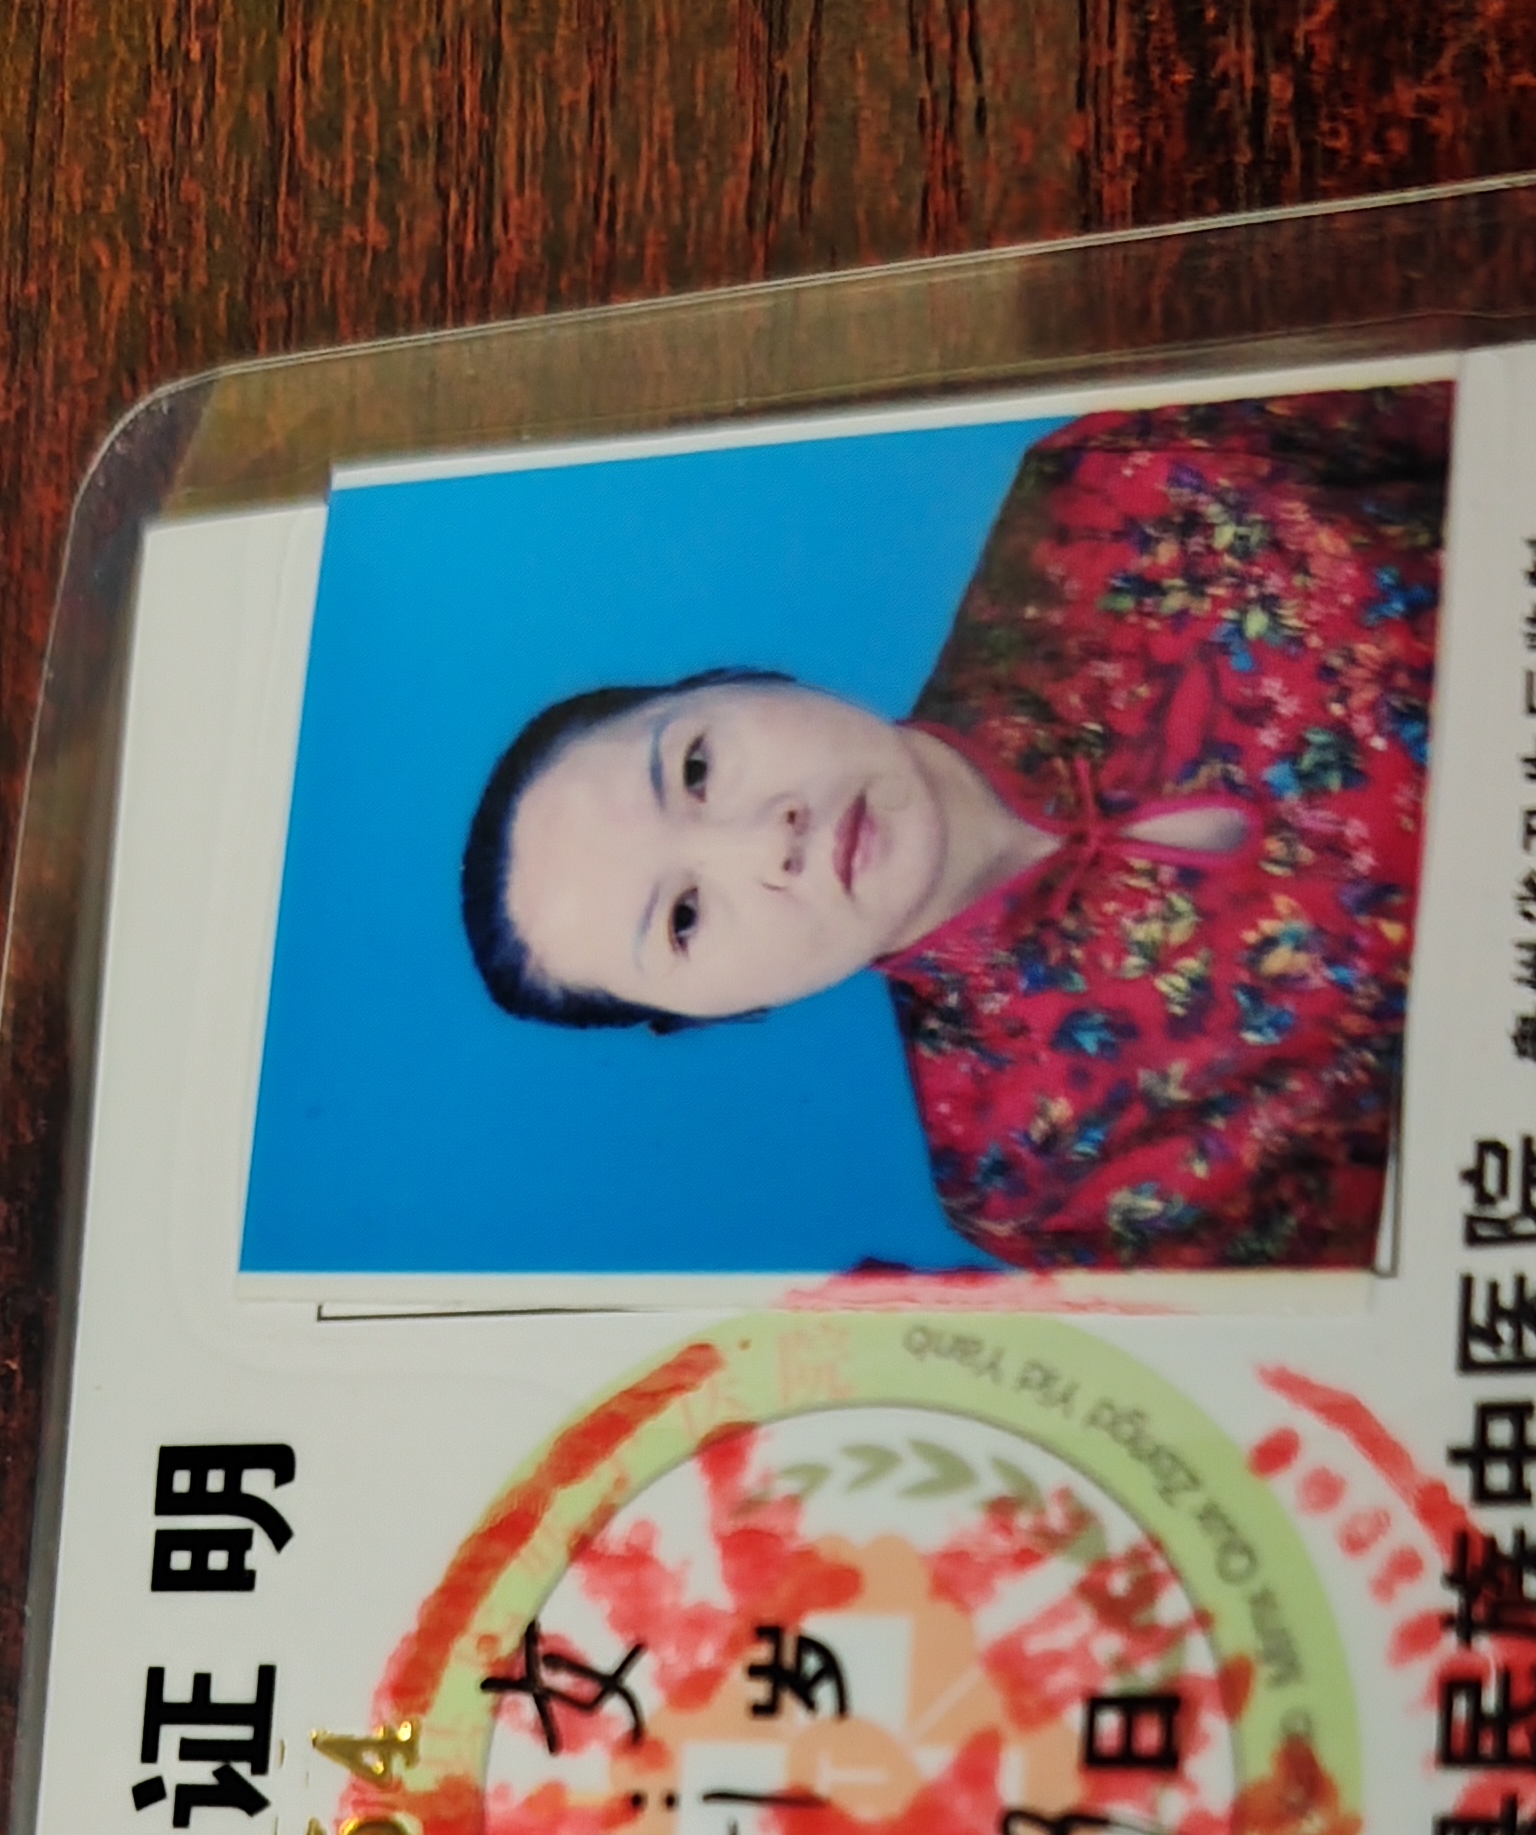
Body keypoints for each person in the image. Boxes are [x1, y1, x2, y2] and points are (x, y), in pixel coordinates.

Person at [461, 383, 1451, 1270]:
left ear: (736, 681)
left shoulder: (1116, 484)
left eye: (696, 768)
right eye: (683, 917)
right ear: (720, 1014)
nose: (768, 841)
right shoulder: (1038, 1183)